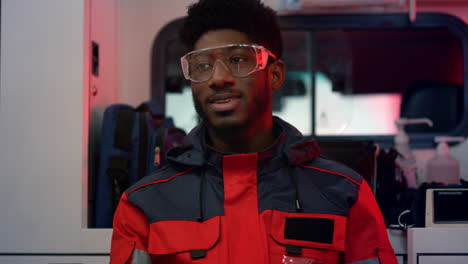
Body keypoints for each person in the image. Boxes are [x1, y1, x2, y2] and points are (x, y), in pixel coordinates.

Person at [110, 0, 398, 263]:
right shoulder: (144, 204)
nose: (219, 78)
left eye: (237, 60)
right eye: (202, 66)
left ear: (274, 75)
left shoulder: (344, 194)